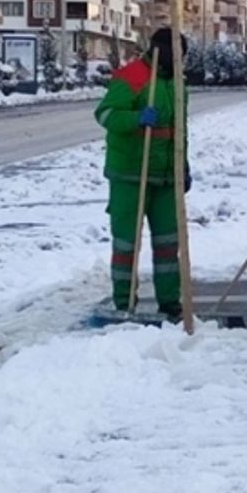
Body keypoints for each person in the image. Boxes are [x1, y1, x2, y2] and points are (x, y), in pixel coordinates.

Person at [94, 27, 190, 320]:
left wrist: (182, 165)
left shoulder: (177, 84)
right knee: (127, 242)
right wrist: (136, 119)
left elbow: (179, 130)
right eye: (176, 58)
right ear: (160, 54)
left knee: (168, 242)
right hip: (131, 173)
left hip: (165, 176)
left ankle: (170, 302)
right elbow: (105, 114)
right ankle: (124, 301)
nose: (180, 64)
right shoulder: (132, 76)